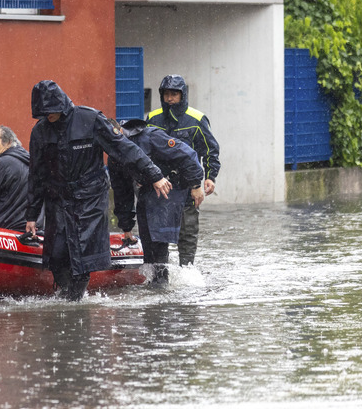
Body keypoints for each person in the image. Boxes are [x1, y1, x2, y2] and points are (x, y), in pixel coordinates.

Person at [25, 80, 171, 300]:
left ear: (61, 106)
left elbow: (125, 149)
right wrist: (31, 215)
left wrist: (155, 175)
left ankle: (73, 303)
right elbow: (36, 174)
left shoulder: (90, 119)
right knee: (56, 254)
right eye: (44, 114)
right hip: (58, 198)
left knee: (82, 256)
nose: (49, 117)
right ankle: (66, 295)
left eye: (52, 112)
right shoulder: (40, 132)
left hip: (89, 197)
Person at [107, 118, 204, 285]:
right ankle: (155, 278)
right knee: (147, 237)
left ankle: (165, 281)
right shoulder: (114, 155)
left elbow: (188, 155)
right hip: (148, 189)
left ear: (119, 132)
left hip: (174, 184)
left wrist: (196, 185)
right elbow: (122, 191)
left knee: (160, 235)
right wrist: (127, 226)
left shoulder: (150, 137)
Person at [146, 74, 221, 267]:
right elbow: (144, 150)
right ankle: (160, 275)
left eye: (174, 94)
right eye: (166, 94)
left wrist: (210, 177)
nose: (170, 98)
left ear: (183, 95)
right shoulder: (153, 119)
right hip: (161, 186)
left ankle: (187, 271)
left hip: (189, 186)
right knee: (159, 234)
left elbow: (210, 149)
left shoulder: (196, 119)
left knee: (187, 232)